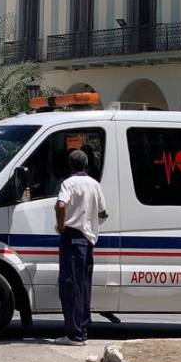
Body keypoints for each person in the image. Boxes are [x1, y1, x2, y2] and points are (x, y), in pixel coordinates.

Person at [54, 148, 108, 346]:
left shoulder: (68, 183)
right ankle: (82, 330)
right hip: (88, 240)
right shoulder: (95, 184)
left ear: (70, 165)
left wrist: (61, 226)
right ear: (86, 164)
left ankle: (75, 335)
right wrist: (92, 216)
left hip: (71, 238)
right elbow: (103, 213)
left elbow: (61, 205)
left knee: (70, 286)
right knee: (84, 287)